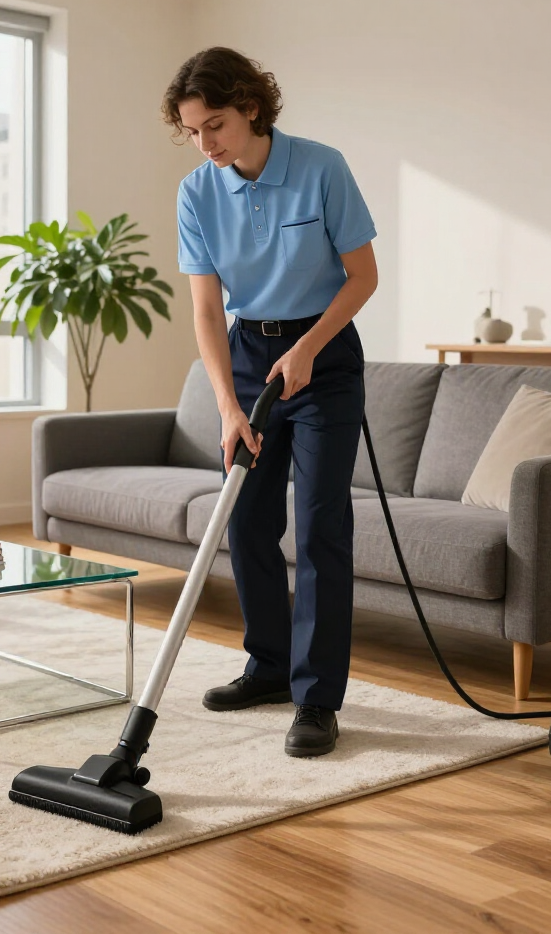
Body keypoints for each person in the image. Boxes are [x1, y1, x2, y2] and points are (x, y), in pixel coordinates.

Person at [161, 47, 379, 758]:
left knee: (319, 526)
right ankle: (269, 667)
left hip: (324, 356)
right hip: (250, 359)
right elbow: (204, 310)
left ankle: (316, 698)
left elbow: (362, 276)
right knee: (246, 519)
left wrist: (312, 346)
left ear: (251, 107)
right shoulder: (198, 192)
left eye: (216, 124)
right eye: (194, 131)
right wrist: (228, 405)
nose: (207, 143)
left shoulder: (321, 168)